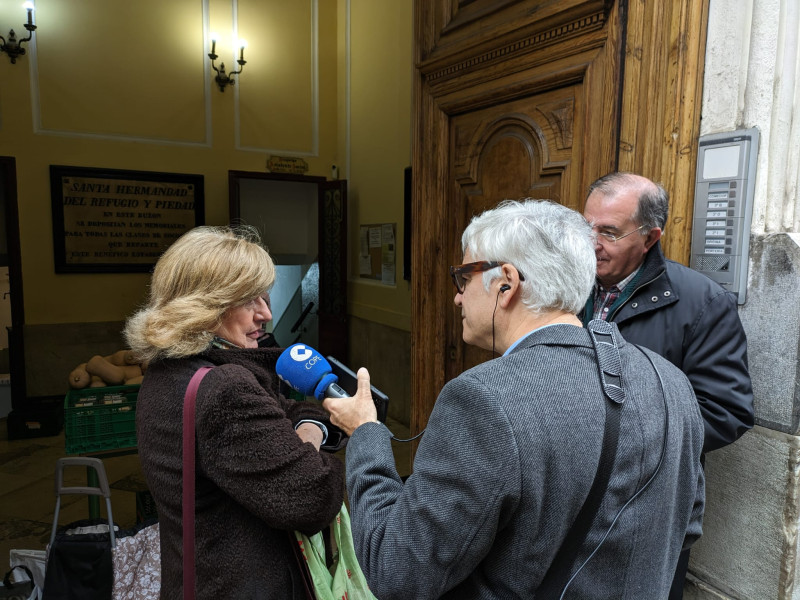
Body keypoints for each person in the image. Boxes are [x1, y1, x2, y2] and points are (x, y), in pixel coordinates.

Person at [324, 199, 705, 599]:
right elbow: (686, 524)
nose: (457, 297)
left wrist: (366, 433)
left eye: (463, 277)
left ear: (506, 282)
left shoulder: (483, 400)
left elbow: (396, 570)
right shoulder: (671, 380)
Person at [125, 226, 344, 599]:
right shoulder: (226, 391)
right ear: (204, 306)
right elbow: (314, 497)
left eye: (264, 297)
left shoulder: (169, 372)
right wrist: (309, 438)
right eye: (249, 300)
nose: (266, 314)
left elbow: (290, 410)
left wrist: (306, 424)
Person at [581, 172, 754, 598]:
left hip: (645, 503)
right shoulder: (565, 286)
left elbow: (726, 410)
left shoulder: (703, 303)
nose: (590, 242)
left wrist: (619, 448)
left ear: (650, 236)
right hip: (569, 490)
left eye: (609, 232)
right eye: (585, 226)